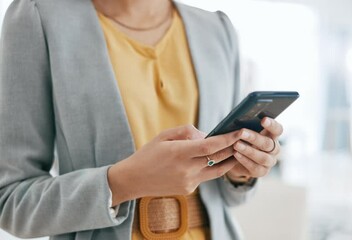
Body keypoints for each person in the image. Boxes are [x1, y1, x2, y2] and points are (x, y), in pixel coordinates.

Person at [0, 0, 283, 239]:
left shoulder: (217, 29)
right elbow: (10, 201)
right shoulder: (38, 17)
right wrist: (123, 182)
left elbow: (230, 196)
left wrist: (242, 169)